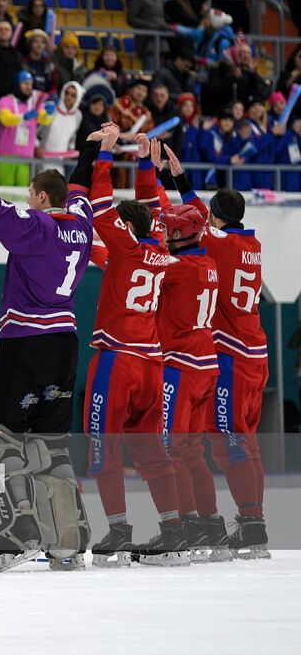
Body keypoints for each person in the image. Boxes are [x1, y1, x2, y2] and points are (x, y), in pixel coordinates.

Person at [0, 125, 97, 571]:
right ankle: (68, 536)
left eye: (30, 193)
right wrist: (97, 147)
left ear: (39, 196)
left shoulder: (33, 225)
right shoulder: (82, 222)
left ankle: (21, 528)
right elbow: (82, 183)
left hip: (24, 343)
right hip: (65, 345)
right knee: (51, 442)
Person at [76, 125, 187, 567]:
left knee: (103, 446)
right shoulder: (162, 251)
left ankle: (119, 530)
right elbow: (155, 211)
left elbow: (100, 203)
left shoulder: (122, 247)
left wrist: (104, 153)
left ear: (125, 228)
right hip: (152, 363)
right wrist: (147, 164)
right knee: (151, 451)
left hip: (117, 360)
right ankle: (174, 528)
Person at [158, 147, 270, 559]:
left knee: (228, 443)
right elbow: (200, 217)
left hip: (232, 355)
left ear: (217, 218)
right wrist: (181, 178)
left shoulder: (216, 242)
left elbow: (192, 220)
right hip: (254, 349)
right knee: (246, 442)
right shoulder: (249, 242)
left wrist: (176, 180)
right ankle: (252, 522)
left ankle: (251, 527)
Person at [135, 145, 227, 561]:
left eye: (172, 230)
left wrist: (150, 176)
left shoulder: (175, 268)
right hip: (207, 363)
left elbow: (145, 250)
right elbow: (191, 219)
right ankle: (211, 527)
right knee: (193, 451)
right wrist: (166, 179)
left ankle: (183, 529)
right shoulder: (207, 260)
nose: (167, 232)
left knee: (169, 449)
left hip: (181, 366)